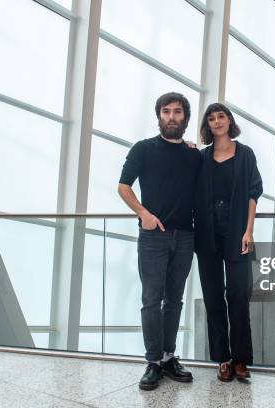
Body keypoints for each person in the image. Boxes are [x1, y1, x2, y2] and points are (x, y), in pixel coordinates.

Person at [118, 92, 201, 391]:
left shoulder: (194, 155)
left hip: (186, 236)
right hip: (153, 236)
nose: (171, 117)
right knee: (151, 300)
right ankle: (152, 362)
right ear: (159, 116)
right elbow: (123, 186)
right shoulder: (143, 149)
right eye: (166, 111)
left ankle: (168, 357)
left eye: (177, 112)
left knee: (174, 300)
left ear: (185, 118)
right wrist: (143, 213)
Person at [194, 102, 263, 382]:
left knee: (238, 295)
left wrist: (249, 231)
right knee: (213, 297)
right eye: (211, 118)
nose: (217, 121)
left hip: (237, 233)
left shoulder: (245, 155)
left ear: (229, 120)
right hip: (207, 234)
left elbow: (253, 194)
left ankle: (241, 360)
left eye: (221, 116)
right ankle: (222, 359)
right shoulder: (201, 157)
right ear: (207, 125)